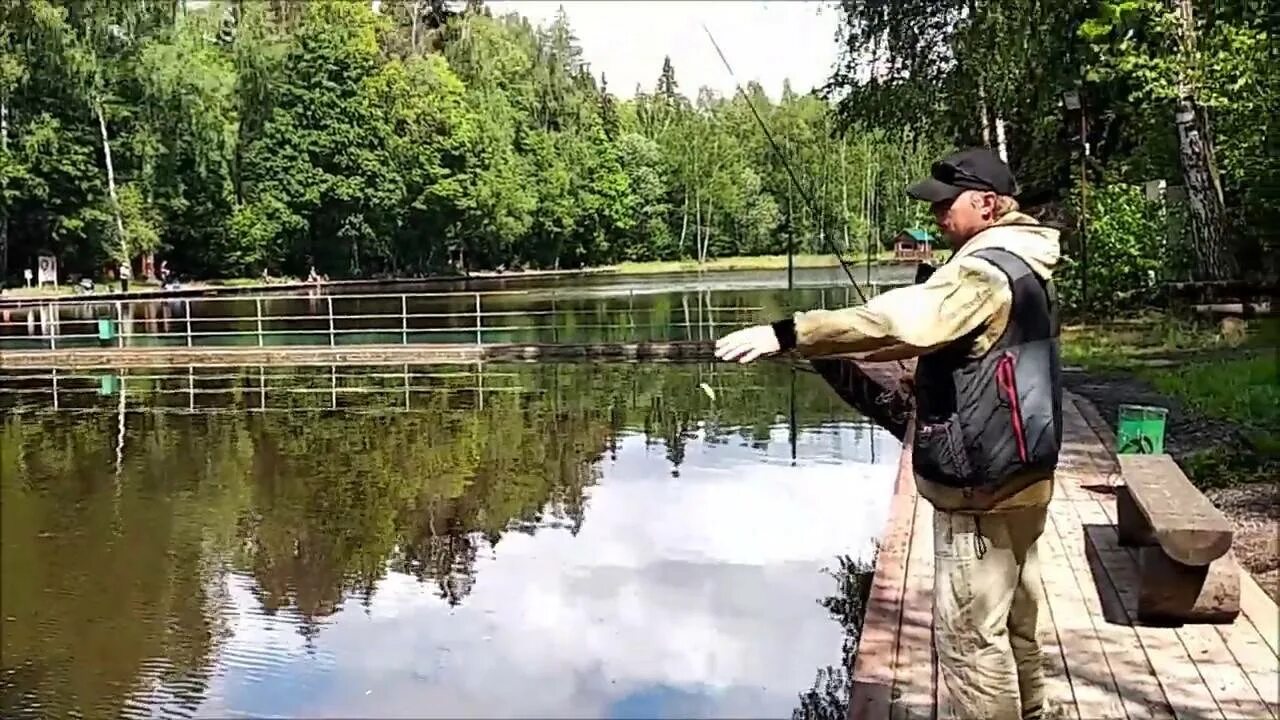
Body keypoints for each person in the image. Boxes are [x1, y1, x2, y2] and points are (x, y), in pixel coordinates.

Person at [715, 147, 1062, 720]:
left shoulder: (982, 271)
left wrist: (791, 331)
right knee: (1015, 624)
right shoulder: (1027, 262)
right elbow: (936, 338)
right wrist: (834, 346)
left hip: (982, 483)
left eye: (947, 206)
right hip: (1025, 470)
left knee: (973, 640)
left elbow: (902, 319)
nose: (937, 217)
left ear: (988, 203)